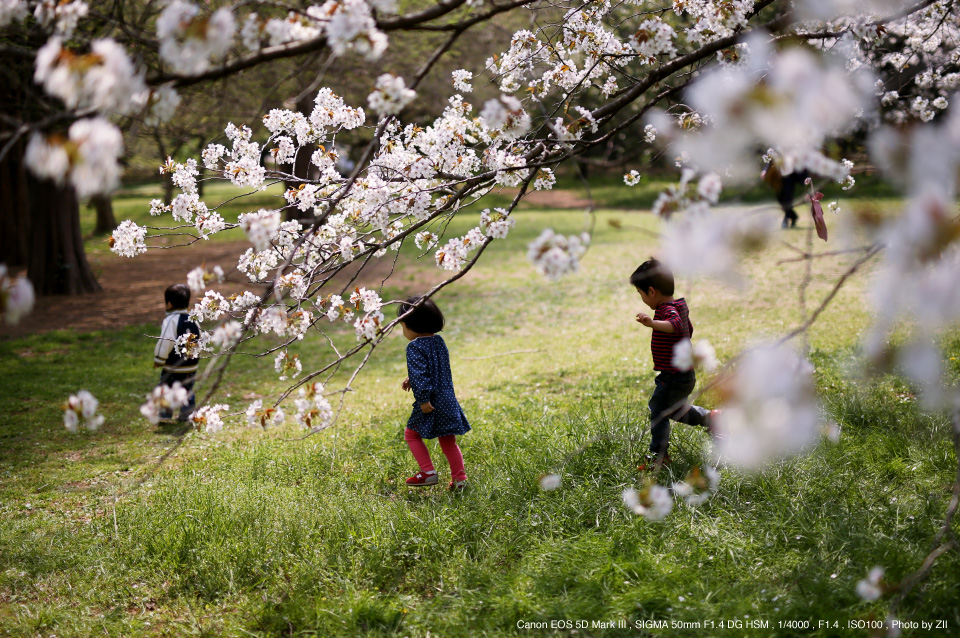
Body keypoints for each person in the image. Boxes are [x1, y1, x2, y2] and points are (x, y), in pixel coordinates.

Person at [631, 258, 716, 468]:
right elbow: (688, 328)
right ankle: (712, 418)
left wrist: (652, 323)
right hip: (681, 374)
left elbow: (677, 325)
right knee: (675, 410)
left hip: (674, 376)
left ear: (651, 291)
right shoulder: (677, 305)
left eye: (640, 294)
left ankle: (658, 455)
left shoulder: (667, 310)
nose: (642, 299)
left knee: (658, 410)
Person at [398, 295, 470, 490]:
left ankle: (428, 472)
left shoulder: (414, 347)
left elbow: (421, 374)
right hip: (447, 398)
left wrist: (422, 399)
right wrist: (411, 378)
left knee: (411, 434)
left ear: (410, 325)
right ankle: (460, 479)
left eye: (402, 326)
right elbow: (433, 369)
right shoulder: (439, 342)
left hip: (430, 400)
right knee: (448, 440)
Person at [153, 283, 200, 422]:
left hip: (174, 366)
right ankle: (187, 414)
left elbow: (165, 342)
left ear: (169, 304)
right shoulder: (194, 320)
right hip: (191, 365)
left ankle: (164, 415)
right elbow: (200, 339)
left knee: (165, 389)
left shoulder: (170, 321)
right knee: (187, 389)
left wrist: (159, 359)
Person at [761, 163, 810, 229]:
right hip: (779, 177)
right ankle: (793, 216)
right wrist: (765, 170)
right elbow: (771, 158)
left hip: (790, 177)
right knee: (780, 199)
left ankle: (785, 220)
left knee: (787, 199)